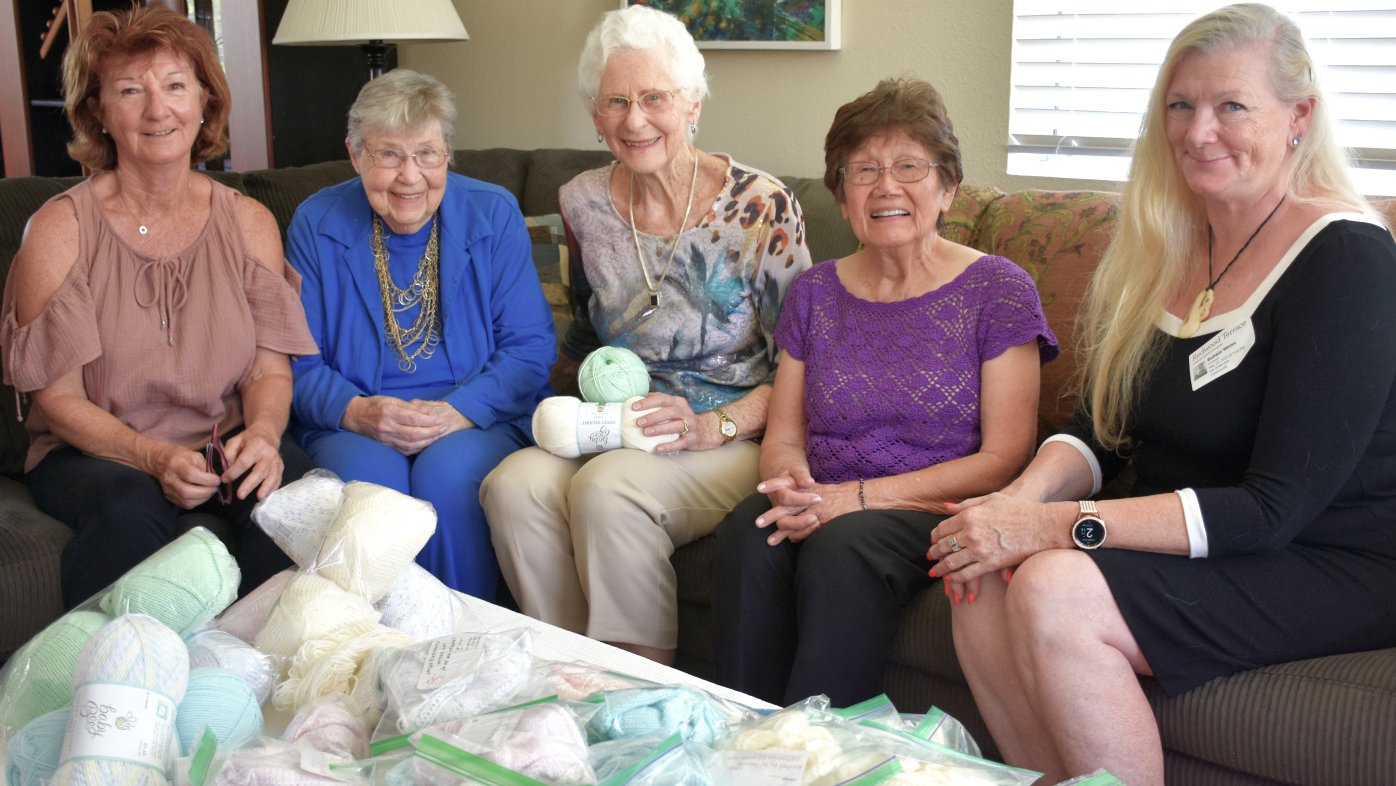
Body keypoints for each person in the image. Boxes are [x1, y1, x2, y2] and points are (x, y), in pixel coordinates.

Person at [932, 5, 1396, 783]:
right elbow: (1100, 430)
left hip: (1330, 556)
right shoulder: (1166, 244)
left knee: (1052, 583)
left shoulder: (1346, 257)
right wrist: (1009, 508)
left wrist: (1047, 528)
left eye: (1231, 106)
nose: (1198, 131)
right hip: (1200, 545)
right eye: (1180, 106)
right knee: (973, 570)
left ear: (1299, 117)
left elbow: (1273, 508)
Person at [708, 78, 1057, 707]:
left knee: (845, 548)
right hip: (832, 496)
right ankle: (740, 737)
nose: (886, 186)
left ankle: (824, 754)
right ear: (842, 198)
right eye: (863, 170)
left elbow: (1006, 455)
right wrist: (794, 485)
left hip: (927, 506)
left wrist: (857, 500)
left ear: (948, 187)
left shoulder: (997, 291)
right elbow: (786, 433)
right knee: (747, 530)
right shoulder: (815, 291)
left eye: (909, 167)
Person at [479, 4, 811, 665]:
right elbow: (571, 339)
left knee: (610, 489)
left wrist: (711, 427)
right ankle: (571, 677)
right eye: (616, 102)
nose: (635, 120)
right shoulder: (578, 202)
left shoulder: (762, 207)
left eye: (654, 98)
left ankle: (641, 691)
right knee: (510, 484)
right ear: (596, 116)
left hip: (729, 431)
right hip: (616, 422)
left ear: (692, 102)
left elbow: (806, 368)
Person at [0, 5, 318, 608]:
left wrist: (267, 434)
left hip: (221, 437)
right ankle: (124, 687)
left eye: (175, 86)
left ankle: (270, 678)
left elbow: (266, 370)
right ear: (97, 110)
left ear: (204, 99)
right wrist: (152, 455)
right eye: (129, 90)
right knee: (128, 512)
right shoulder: (57, 230)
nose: (157, 109)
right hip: (95, 452)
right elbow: (58, 401)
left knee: (299, 503)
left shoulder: (249, 222)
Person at [287, 69, 554, 600]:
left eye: (427, 154)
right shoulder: (316, 223)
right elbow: (295, 364)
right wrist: (360, 412)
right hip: (354, 422)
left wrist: (457, 412)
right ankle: (373, 660)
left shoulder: (492, 213)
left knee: (449, 476)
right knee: (370, 487)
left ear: (448, 153)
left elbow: (529, 349)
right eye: (388, 155)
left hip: (478, 416)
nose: (410, 176)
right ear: (356, 153)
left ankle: (464, 642)